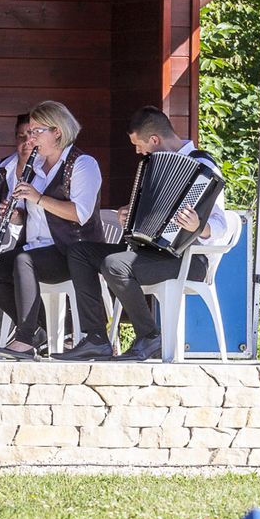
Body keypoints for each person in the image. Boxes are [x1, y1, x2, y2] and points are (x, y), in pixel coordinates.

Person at [63, 106, 230, 362]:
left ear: (154, 140)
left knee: (115, 264)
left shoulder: (204, 166)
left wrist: (198, 225)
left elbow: (220, 226)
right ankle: (96, 338)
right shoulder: (153, 164)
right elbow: (150, 210)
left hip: (190, 259)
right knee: (80, 252)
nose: (139, 152)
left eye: (139, 145)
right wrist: (129, 215)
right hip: (151, 254)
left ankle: (149, 336)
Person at [0, 100, 107, 357]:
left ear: (57, 131)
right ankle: (38, 329)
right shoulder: (36, 167)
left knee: (25, 261)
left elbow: (80, 214)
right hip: (35, 247)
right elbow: (34, 217)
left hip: (72, 251)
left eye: (37, 131)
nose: (31, 137)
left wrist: (37, 197)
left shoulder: (82, 164)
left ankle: (25, 339)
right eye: (29, 132)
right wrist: (14, 217)